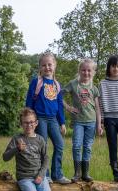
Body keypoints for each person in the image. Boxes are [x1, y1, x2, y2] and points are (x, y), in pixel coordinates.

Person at [25, 52, 70, 184]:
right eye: (43, 65)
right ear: (40, 67)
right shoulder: (36, 82)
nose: (47, 67)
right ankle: (45, 175)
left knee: (60, 145)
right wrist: (30, 120)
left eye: (50, 64)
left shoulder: (57, 85)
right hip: (40, 119)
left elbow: (59, 105)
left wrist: (62, 123)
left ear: (55, 65)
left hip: (53, 119)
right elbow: (29, 102)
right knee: (42, 147)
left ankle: (57, 174)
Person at [63, 58, 103, 183]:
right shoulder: (73, 84)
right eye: (83, 70)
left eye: (89, 70)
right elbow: (59, 95)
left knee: (87, 147)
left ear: (93, 72)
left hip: (91, 122)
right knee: (76, 146)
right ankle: (77, 173)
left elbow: (97, 108)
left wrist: (99, 124)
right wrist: (68, 107)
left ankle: (85, 173)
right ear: (79, 71)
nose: (86, 73)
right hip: (78, 121)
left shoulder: (94, 88)